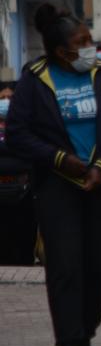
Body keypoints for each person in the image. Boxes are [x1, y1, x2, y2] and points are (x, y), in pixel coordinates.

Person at [4, 5, 101, 346]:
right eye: (82, 43)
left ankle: (87, 337)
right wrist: (60, 159)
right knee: (64, 267)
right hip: (58, 186)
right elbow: (18, 134)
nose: (91, 47)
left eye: (90, 39)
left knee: (99, 266)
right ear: (61, 51)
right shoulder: (35, 78)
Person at [0, 76, 37, 265]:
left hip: (24, 192)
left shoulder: (25, 124)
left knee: (23, 230)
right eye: (2, 97)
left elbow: (30, 148)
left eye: (10, 97)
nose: (6, 102)